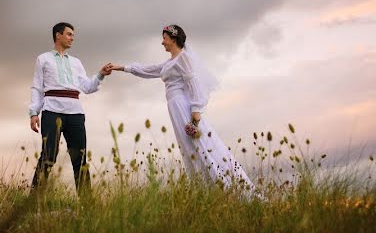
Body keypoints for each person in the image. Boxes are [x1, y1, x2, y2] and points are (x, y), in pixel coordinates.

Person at [105, 24, 256, 193]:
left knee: (199, 146)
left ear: (173, 39)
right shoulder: (170, 63)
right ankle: (204, 188)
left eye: (164, 38)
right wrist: (122, 67)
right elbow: (149, 70)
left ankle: (224, 187)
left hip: (183, 107)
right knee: (188, 148)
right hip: (174, 107)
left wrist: (195, 114)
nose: (162, 42)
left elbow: (193, 84)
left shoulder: (184, 58)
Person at [29, 22, 110, 193]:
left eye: (72, 35)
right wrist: (33, 112)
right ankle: (34, 201)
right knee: (49, 155)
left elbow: (88, 87)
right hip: (51, 110)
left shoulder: (76, 62)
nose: (72, 38)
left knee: (79, 158)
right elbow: (37, 87)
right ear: (58, 35)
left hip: (75, 113)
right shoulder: (43, 59)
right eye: (69, 34)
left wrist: (101, 75)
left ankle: (87, 205)